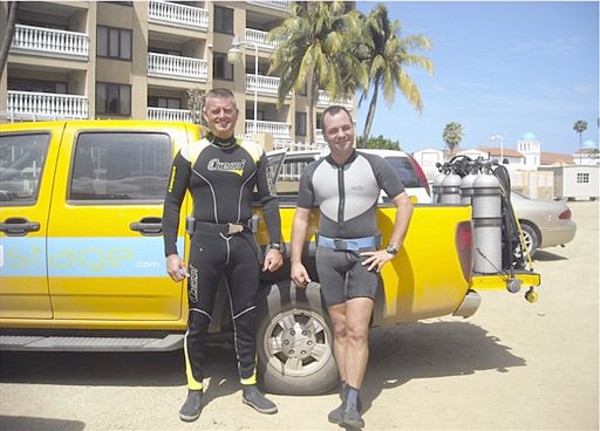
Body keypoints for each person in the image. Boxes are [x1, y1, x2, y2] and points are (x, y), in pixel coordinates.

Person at [162, 88, 284, 422]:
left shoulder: (254, 152)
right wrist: (171, 253)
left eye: (228, 111)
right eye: (215, 111)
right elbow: (172, 204)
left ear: (237, 113)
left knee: (245, 318)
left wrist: (276, 244)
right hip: (204, 244)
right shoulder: (190, 154)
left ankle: (249, 387)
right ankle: (194, 391)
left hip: (244, 243)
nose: (221, 116)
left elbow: (269, 200)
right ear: (206, 115)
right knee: (198, 320)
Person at [290, 106, 413, 429]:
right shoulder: (314, 171)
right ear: (325, 134)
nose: (341, 135)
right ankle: (346, 396)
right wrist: (296, 260)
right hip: (328, 258)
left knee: (358, 329)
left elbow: (404, 204)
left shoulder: (374, 165)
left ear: (352, 128)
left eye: (345, 128)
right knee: (340, 329)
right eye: (333, 130)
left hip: (364, 258)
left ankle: (353, 403)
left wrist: (391, 250)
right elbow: (301, 216)